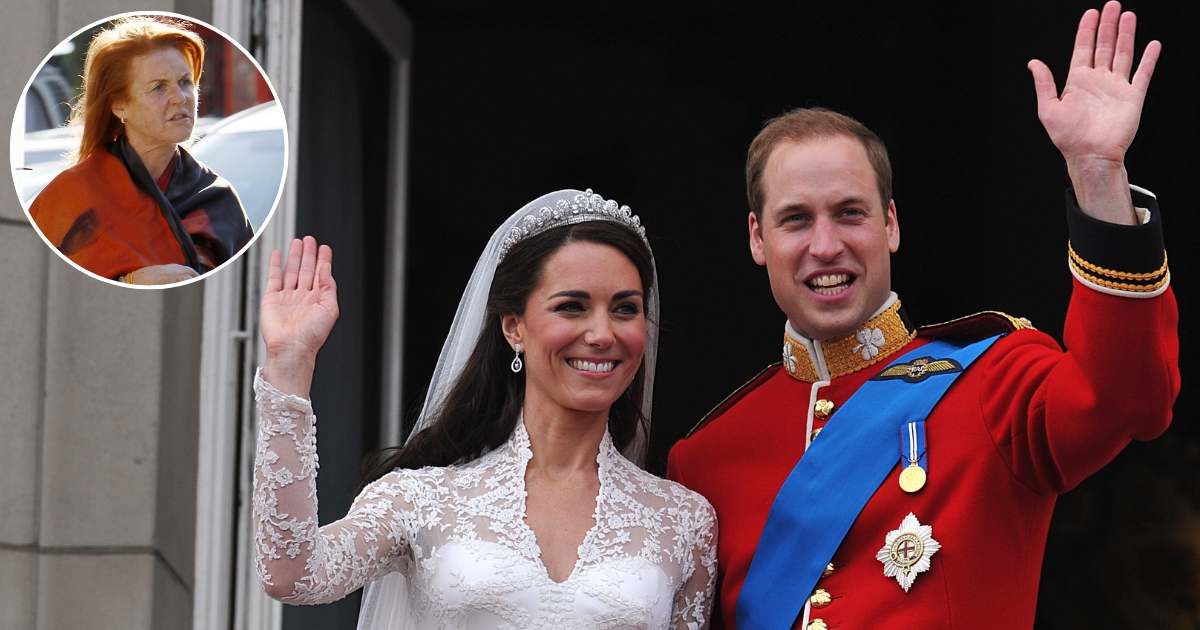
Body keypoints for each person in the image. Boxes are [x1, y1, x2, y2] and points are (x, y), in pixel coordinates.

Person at [666, 3, 1178, 629]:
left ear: (891, 224)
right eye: (796, 219)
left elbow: (1130, 399)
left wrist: (1098, 177)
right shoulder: (704, 459)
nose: (825, 246)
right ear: (756, 239)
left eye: (850, 213)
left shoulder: (994, 382)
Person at [252, 190, 717, 628]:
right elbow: (293, 573)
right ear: (514, 327)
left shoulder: (685, 521)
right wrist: (290, 362)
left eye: (624, 309)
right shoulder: (419, 499)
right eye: (572, 307)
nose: (601, 333)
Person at [29, 16, 252, 285]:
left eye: (185, 82)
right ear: (119, 105)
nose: (180, 98)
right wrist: (128, 283)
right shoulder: (72, 196)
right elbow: (41, 287)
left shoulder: (220, 199)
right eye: (159, 87)